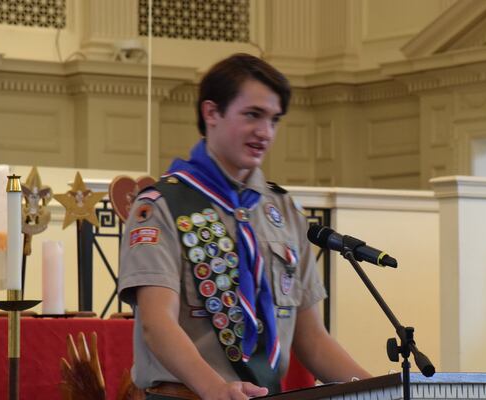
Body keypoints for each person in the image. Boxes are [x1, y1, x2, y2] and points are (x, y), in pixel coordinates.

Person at [118, 53, 371, 400]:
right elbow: (157, 324)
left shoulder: (284, 211)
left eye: (274, 119)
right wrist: (215, 389)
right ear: (212, 113)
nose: (265, 132)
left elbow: (313, 340)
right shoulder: (162, 207)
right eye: (253, 115)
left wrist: (386, 391)